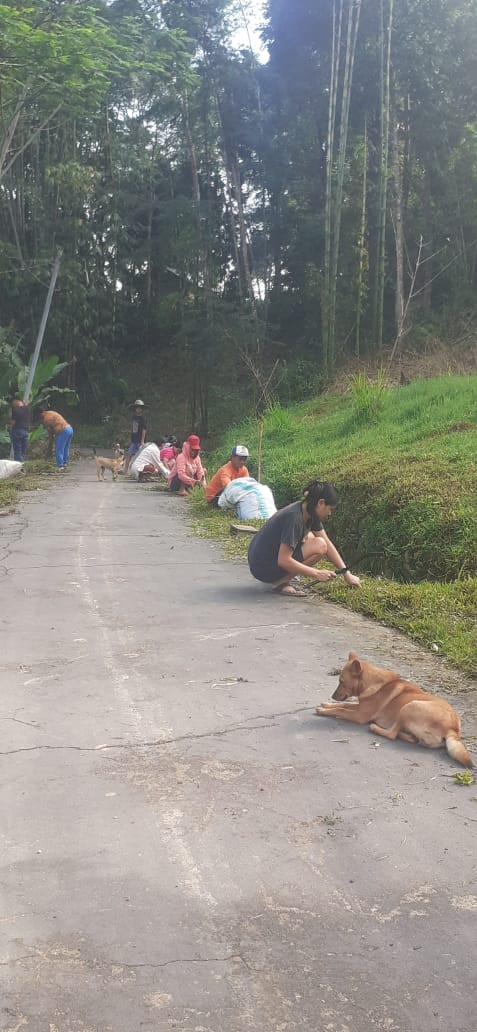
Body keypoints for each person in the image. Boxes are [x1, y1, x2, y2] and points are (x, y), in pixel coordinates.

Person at [247, 479, 361, 596]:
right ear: (321, 503)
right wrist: (317, 573)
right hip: (262, 567)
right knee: (319, 545)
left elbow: (327, 542)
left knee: (317, 540)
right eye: (330, 509)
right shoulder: (294, 519)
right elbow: (283, 560)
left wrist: (346, 572)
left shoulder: (307, 511)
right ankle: (281, 582)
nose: (330, 514)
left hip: (264, 560)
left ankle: (283, 579)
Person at [123, 399, 147, 476]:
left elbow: (144, 430)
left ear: (141, 409)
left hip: (140, 441)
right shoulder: (134, 417)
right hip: (134, 440)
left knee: (141, 457)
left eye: (139, 408)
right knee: (129, 454)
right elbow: (133, 429)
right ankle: (125, 471)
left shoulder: (143, 418)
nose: (138, 409)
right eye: (137, 407)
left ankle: (142, 472)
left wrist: (142, 441)